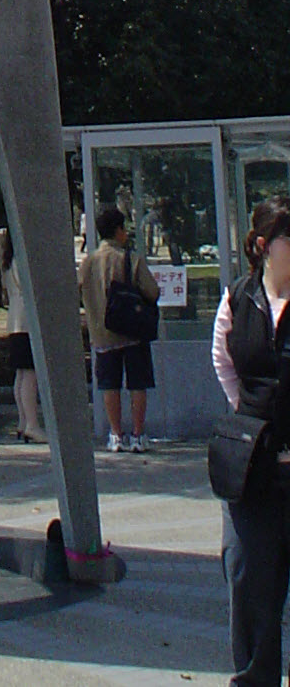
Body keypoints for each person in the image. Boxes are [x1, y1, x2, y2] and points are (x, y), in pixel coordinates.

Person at [212, 195, 290, 687]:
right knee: (248, 584)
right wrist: (254, 421)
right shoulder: (237, 300)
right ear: (264, 246)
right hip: (253, 472)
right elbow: (224, 364)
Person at [78, 203, 159, 453]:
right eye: (124, 228)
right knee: (137, 384)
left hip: (101, 334)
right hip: (132, 332)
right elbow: (152, 291)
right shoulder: (130, 259)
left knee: (109, 385)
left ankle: (116, 434)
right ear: (118, 231)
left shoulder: (88, 262)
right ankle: (138, 434)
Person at [0, 227, 44, 442]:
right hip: (26, 322)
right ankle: (32, 423)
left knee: (22, 375)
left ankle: (24, 421)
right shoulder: (23, 261)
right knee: (30, 373)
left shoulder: (10, 261)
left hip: (15, 320)